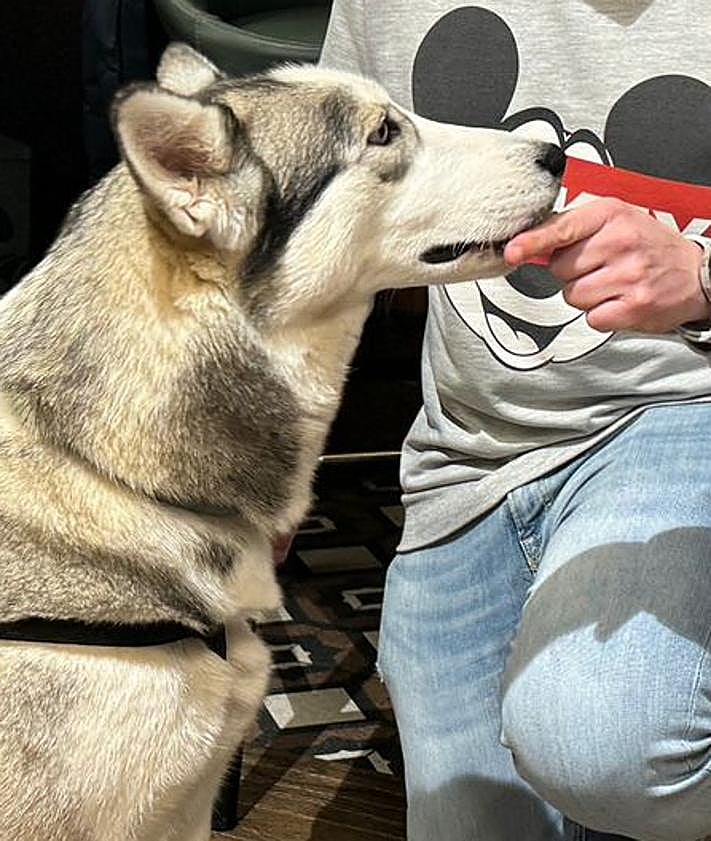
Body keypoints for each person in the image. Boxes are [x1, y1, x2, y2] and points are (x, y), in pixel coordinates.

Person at [320, 3, 711, 840]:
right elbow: (327, 224)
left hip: (686, 407)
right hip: (466, 454)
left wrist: (704, 279)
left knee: (602, 746)